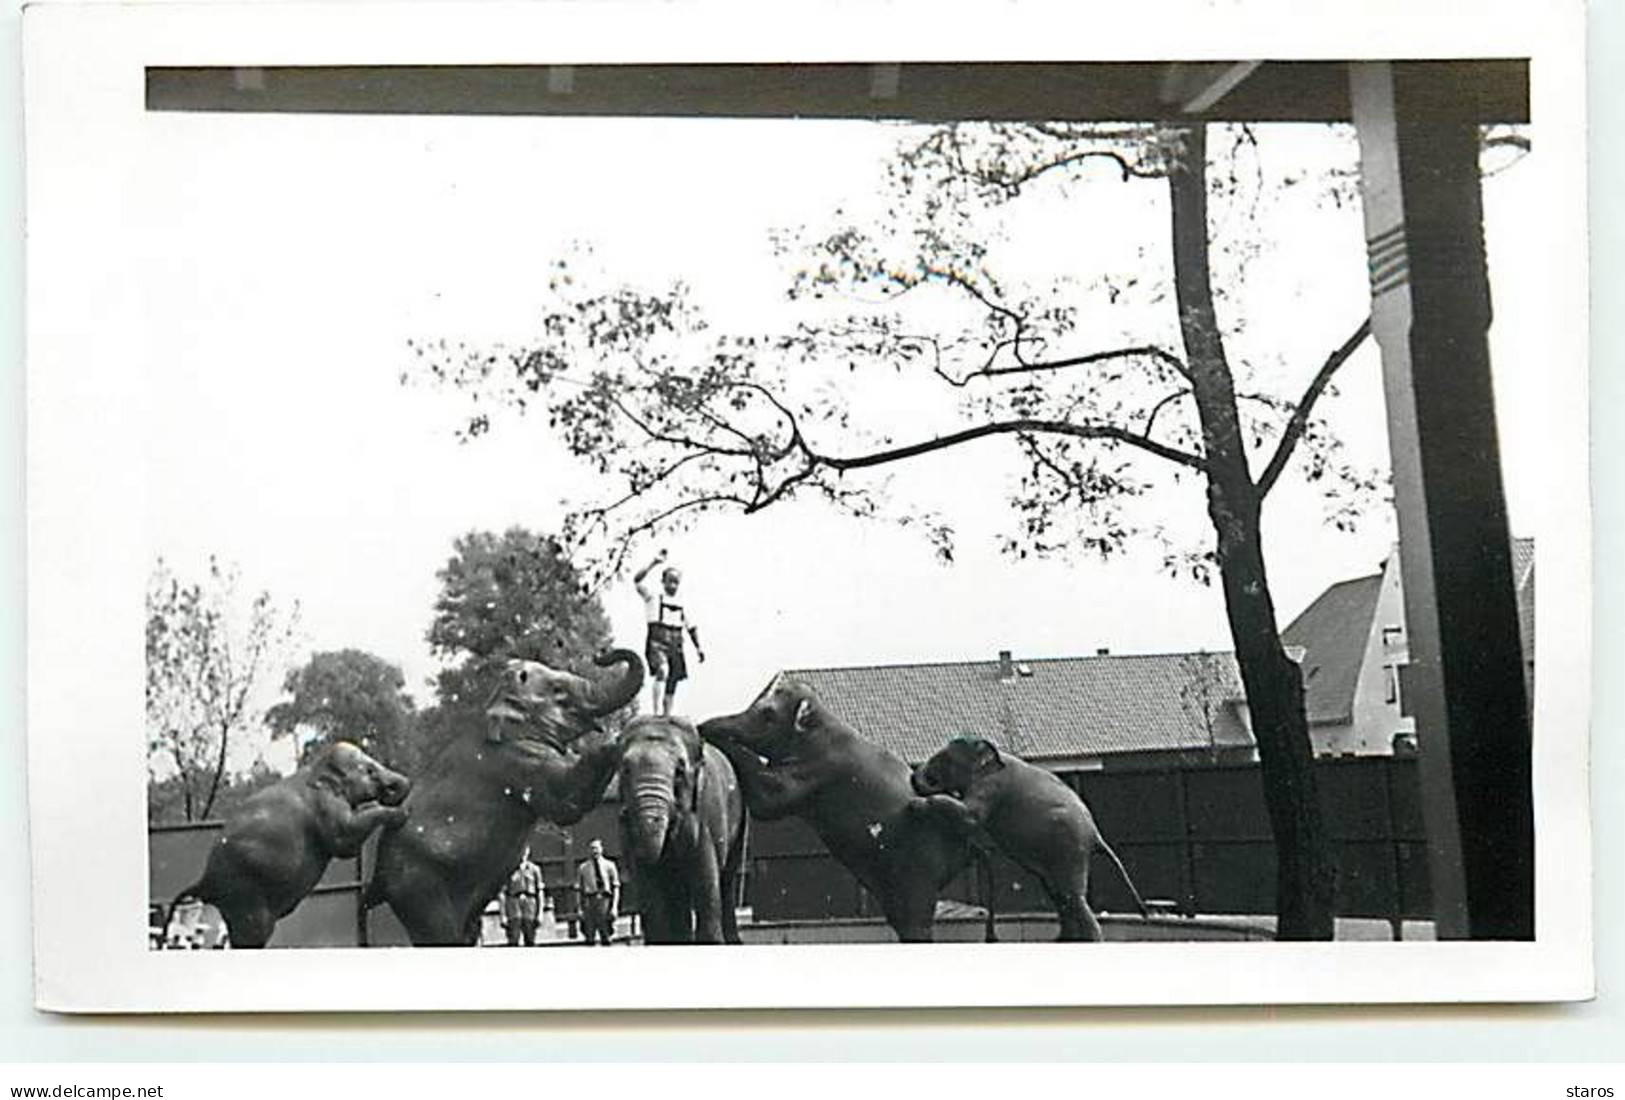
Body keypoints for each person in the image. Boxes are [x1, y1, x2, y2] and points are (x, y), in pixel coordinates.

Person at [634, 549, 705, 716]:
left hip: (676, 642)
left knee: (673, 680)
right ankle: (656, 711)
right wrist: (654, 562)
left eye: (676, 582)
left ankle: (667, 714)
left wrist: (699, 648)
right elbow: (637, 580)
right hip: (658, 640)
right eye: (670, 581)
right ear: (663, 581)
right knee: (662, 671)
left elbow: (691, 626)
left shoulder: (682, 602)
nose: (673, 585)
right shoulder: (652, 596)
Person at [574, 838, 620, 946]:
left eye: (597, 848)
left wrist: (614, 907)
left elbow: (616, 887)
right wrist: (579, 908)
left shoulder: (610, 866)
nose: (594, 851)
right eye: (592, 848)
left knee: (606, 935)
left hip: (604, 901)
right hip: (589, 902)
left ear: (602, 849)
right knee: (589, 936)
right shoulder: (583, 868)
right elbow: (578, 890)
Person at [501, 847, 544, 947]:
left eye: (524, 851)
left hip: (530, 904)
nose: (522, 854)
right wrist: (503, 915)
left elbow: (540, 892)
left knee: (530, 938)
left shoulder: (534, 870)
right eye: (520, 851)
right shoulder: (509, 870)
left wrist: (540, 913)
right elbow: (503, 894)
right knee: (513, 939)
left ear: (528, 852)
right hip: (513, 904)